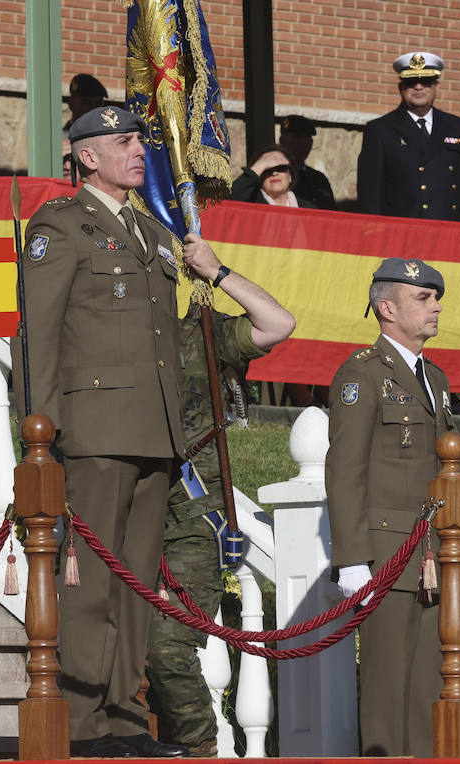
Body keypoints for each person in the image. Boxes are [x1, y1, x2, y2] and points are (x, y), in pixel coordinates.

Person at [13, 104, 223, 758]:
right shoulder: (59, 227)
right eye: (123, 141)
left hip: (154, 434)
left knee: (136, 586)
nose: (138, 150)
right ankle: (82, 720)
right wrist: (38, 443)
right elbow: (37, 338)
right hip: (92, 430)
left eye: (138, 140)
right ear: (86, 155)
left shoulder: (156, 234)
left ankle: (122, 712)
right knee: (90, 586)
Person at [147, 273, 295, 757]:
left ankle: (200, 750)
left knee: (168, 644)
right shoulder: (106, 330)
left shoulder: (201, 331)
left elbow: (277, 324)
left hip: (191, 510)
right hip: (120, 505)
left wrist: (217, 271)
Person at [325, 257, 453, 757]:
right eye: (423, 298)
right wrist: (352, 559)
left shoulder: (435, 378)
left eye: (435, 297)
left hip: (431, 552)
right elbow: (345, 469)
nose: (435, 307)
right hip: (384, 553)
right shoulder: (362, 374)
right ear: (386, 307)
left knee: (427, 684)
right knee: (386, 685)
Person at [356, 52, 460, 221]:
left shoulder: (457, 127)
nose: (419, 87)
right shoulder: (380, 130)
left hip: (450, 232)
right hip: (403, 233)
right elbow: (371, 195)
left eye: (426, 82)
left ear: (436, 86)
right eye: (411, 82)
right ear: (400, 88)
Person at [229, 143, 318, 208]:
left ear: (290, 175)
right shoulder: (250, 205)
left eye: (281, 168)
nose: (274, 173)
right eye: (267, 170)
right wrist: (259, 165)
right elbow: (225, 203)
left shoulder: (309, 208)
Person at [278, 114, 336, 209]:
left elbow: (333, 215)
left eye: (306, 138)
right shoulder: (273, 176)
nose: (302, 143)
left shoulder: (319, 179)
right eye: (296, 137)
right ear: (282, 141)